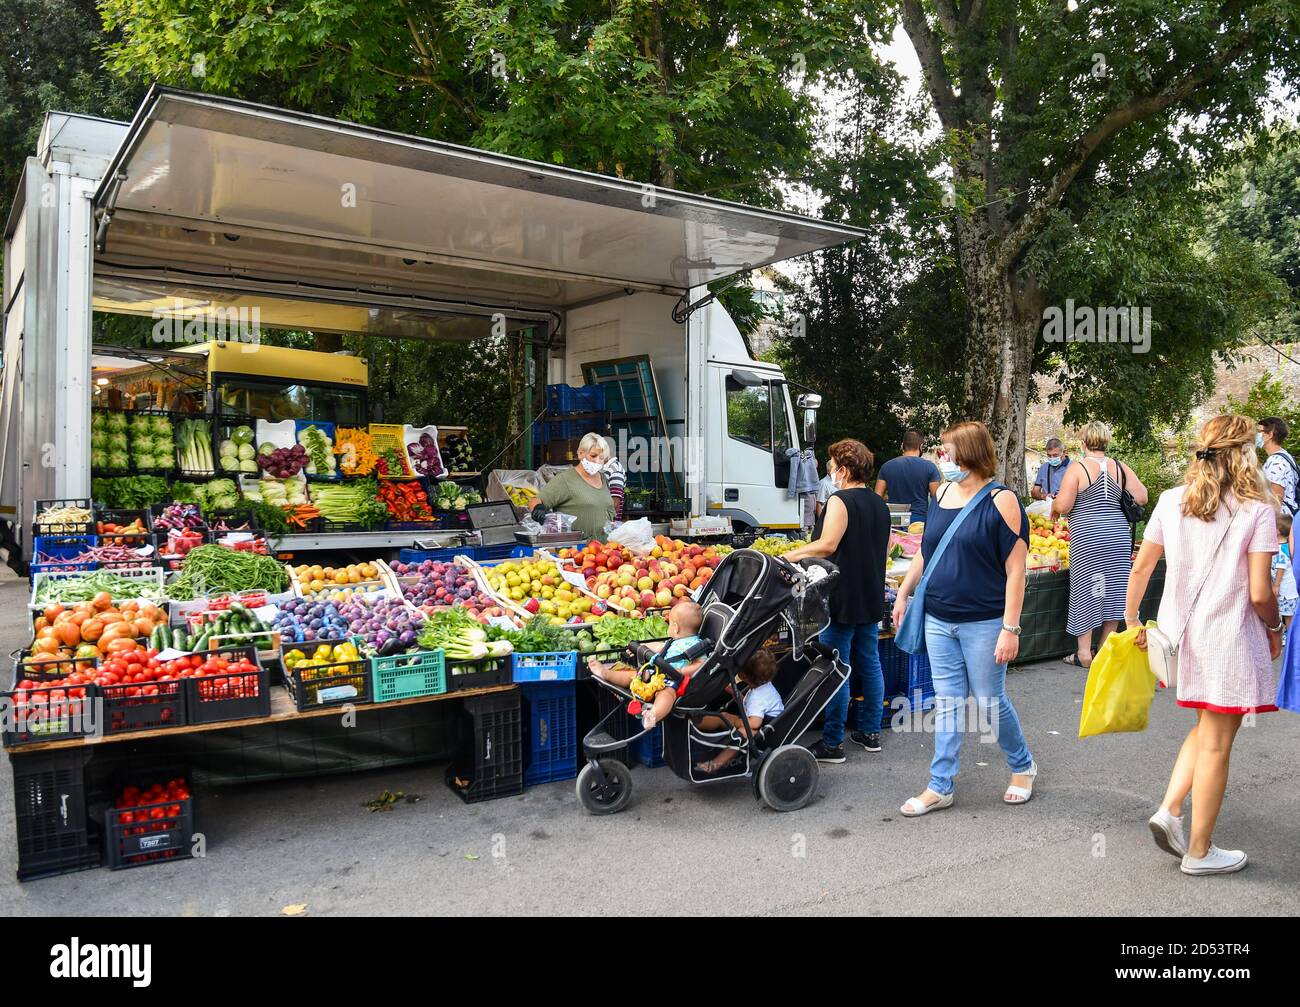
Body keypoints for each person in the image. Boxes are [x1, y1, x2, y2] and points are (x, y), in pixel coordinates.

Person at [1125, 414, 1282, 876]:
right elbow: (1259, 592)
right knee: (1217, 743)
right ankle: (1199, 851)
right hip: (1229, 639)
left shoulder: (1173, 501)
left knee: (1205, 729)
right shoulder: (1258, 510)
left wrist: (1134, 621)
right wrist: (1276, 628)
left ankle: (1170, 809)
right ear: (1245, 454)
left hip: (1180, 637)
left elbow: (1141, 567)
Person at [891, 420, 1036, 816]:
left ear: (968, 453)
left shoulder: (1002, 500)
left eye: (947, 451)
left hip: (985, 622)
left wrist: (1010, 627)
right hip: (938, 617)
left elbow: (1016, 571)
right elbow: (927, 549)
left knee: (990, 702)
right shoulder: (943, 493)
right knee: (950, 702)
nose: (942, 458)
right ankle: (940, 786)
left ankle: (1023, 766)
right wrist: (904, 592)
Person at [784, 439, 890, 762]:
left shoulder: (840, 501)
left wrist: (791, 554)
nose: (829, 472)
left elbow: (828, 545)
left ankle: (832, 742)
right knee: (869, 661)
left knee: (836, 667)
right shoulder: (879, 504)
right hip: (870, 593)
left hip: (841, 595)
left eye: (831, 467)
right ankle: (871, 732)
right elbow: (882, 551)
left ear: (843, 470)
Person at [1051, 421, 1148, 668]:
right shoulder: (1120, 467)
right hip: (1117, 536)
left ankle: (1084, 653)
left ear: (1083, 443)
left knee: (1086, 588)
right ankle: (1105, 651)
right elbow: (1142, 496)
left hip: (1088, 538)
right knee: (1115, 589)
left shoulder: (1078, 468)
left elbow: (1063, 506)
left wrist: (1054, 506)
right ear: (1106, 442)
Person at [587, 601, 706, 730]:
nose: (669, 627)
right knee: (633, 675)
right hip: (655, 673)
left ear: (676, 627)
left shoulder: (696, 646)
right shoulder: (673, 642)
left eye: (669, 624)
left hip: (673, 681)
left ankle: (654, 714)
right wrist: (640, 648)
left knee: (666, 695)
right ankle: (605, 673)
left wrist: (681, 670)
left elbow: (702, 664)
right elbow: (659, 647)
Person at [693, 649, 786, 773]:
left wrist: (736, 721)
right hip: (759, 722)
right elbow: (751, 706)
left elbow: (754, 723)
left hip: (767, 733)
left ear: (744, 676)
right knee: (724, 716)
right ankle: (693, 726)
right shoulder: (761, 687)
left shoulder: (759, 697)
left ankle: (714, 765)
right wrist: (734, 692)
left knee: (740, 734)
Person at [533, 432, 616, 540]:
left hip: (604, 551)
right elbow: (535, 501)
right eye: (593, 456)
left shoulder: (603, 478)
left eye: (601, 458)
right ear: (580, 453)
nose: (597, 461)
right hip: (577, 550)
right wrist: (538, 508)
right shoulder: (565, 479)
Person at [875, 430, 941, 524]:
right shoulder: (930, 467)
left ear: (902, 445)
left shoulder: (887, 466)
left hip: (893, 520)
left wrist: (889, 498)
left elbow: (877, 496)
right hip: (919, 520)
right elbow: (936, 497)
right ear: (921, 446)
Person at [1257, 417, 1298, 516]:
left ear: (1270, 434)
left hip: (1280, 523)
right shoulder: (1285, 456)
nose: (1256, 435)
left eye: (1259, 431)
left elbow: (1275, 501)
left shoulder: (1276, 462)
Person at [1272, 511, 1297, 630]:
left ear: (1277, 531)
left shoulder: (1280, 551)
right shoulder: (1288, 546)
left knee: (1288, 616)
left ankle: (1290, 636)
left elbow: (1280, 568)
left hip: (1286, 591)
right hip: (1290, 589)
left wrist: (1276, 585)